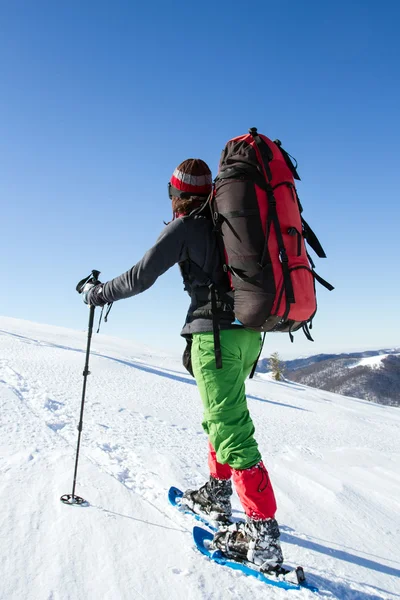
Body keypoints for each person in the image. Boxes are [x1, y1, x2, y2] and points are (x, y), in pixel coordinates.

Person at [84, 158, 283, 572]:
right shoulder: (226, 221)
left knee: (232, 433)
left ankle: (262, 538)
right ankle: (216, 491)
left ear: (176, 195)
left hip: (218, 340)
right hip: (247, 335)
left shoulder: (187, 226)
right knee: (219, 420)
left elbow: (139, 276)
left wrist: (98, 293)